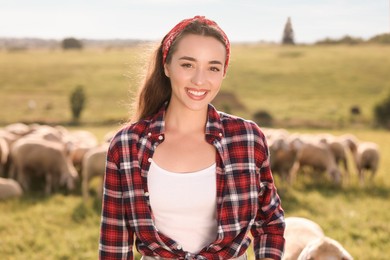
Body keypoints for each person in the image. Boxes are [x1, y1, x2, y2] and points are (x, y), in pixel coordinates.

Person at [99, 15, 285, 260]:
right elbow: (114, 244)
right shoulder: (127, 145)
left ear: (223, 73)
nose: (200, 79)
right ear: (166, 66)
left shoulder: (248, 139)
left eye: (213, 68)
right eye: (187, 65)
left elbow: (270, 222)